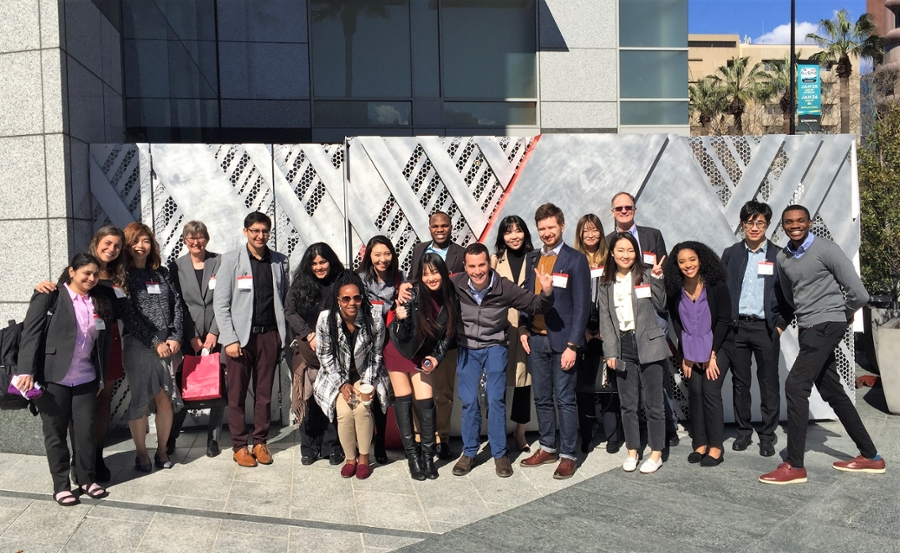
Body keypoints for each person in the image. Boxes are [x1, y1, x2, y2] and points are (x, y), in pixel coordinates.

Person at [760, 205, 885, 484]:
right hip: (808, 327)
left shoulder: (826, 249)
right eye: (789, 222)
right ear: (783, 225)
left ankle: (794, 465)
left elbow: (859, 293)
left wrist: (843, 312)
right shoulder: (783, 258)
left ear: (810, 222)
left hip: (827, 325)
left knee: (795, 386)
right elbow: (791, 295)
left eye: (800, 221)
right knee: (833, 392)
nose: (795, 225)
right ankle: (871, 456)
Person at [16, 254, 114, 506]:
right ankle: (61, 485)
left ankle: (86, 478)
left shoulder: (99, 300)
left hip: (86, 378)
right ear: (72, 271)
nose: (91, 278)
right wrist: (26, 370)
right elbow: (30, 334)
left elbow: (101, 344)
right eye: (86, 273)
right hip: (52, 378)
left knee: (86, 432)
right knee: (55, 434)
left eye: (95, 274)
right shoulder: (50, 295)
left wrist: (101, 378)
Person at [450, 243, 554, 478]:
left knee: (496, 399)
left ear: (490, 263)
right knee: (468, 401)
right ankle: (468, 452)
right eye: (472, 266)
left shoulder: (503, 287)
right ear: (465, 267)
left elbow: (534, 304)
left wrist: (547, 292)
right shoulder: (455, 283)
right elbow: (429, 288)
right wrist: (407, 286)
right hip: (467, 347)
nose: (477, 271)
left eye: (482, 265)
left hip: (495, 346)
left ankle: (500, 454)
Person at [34, 226, 127, 482]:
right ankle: (78, 465)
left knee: (101, 402)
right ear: (96, 243)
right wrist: (42, 285)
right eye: (107, 243)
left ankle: (95, 457)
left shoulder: (120, 273)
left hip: (107, 341)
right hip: (76, 350)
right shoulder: (78, 268)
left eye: (117, 246)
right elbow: (60, 299)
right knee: (77, 412)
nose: (111, 249)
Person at [519, 204, 590, 480]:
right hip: (536, 340)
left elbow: (582, 305)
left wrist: (573, 345)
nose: (547, 233)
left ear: (561, 226)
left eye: (551, 227)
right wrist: (524, 328)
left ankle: (569, 455)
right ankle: (548, 447)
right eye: (542, 229)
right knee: (542, 398)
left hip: (563, 342)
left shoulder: (575, 260)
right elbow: (527, 295)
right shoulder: (532, 258)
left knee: (564, 399)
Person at [214, 212, 290, 468]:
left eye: (265, 231)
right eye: (255, 230)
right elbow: (221, 304)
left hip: (269, 336)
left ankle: (260, 441)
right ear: (245, 231)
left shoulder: (279, 261)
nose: (260, 235)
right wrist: (230, 339)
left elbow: (284, 299)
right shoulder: (231, 259)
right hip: (239, 339)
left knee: (264, 393)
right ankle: (239, 445)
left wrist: (282, 334)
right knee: (236, 395)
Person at [606, 191, 681, 447]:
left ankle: (667, 430)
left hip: (653, 321)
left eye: (628, 207)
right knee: (629, 390)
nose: (624, 211)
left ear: (635, 209)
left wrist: (660, 280)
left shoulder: (653, 235)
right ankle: (633, 439)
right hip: (625, 327)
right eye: (619, 208)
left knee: (658, 385)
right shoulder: (608, 242)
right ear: (613, 212)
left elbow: (663, 271)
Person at [720, 201, 786, 457]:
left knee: (769, 383)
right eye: (749, 222)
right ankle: (744, 432)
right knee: (740, 383)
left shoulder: (778, 256)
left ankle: (767, 436)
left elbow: (789, 296)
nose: (754, 227)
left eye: (760, 223)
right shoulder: (731, 253)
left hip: (766, 329)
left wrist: (780, 325)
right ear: (742, 224)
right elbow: (722, 291)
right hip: (738, 329)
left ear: (767, 225)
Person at [597, 233, 667, 474]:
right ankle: (632, 451)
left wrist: (658, 279)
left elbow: (662, 305)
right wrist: (610, 353)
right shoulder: (605, 282)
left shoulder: (646, 275)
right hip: (623, 344)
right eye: (620, 250)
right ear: (612, 254)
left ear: (636, 252)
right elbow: (605, 319)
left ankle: (656, 452)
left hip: (649, 343)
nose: (626, 255)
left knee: (653, 404)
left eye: (630, 250)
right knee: (628, 404)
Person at [386, 253, 459, 480]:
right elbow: (401, 333)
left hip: (423, 354)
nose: (431, 278)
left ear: (443, 272)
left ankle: (428, 457)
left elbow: (448, 334)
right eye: (425, 274)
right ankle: (413, 459)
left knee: (427, 401)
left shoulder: (450, 296)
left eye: (435, 272)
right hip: (399, 350)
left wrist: (436, 358)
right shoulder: (411, 294)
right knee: (405, 399)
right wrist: (399, 318)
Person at [118, 222, 183, 472]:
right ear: (127, 245)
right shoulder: (122, 278)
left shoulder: (162, 273)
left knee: (165, 399)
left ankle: (162, 449)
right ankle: (141, 453)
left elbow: (177, 305)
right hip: (139, 345)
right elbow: (129, 316)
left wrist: (175, 336)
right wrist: (155, 342)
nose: (140, 246)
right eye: (135, 241)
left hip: (168, 345)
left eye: (145, 241)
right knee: (141, 400)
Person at [313, 270, 390, 480]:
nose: (351, 303)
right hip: (337, 376)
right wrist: (342, 384)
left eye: (356, 297)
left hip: (366, 373)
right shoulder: (326, 320)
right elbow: (324, 355)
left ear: (362, 298)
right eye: (346, 298)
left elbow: (376, 353)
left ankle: (364, 458)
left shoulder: (373, 318)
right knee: (345, 413)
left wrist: (367, 383)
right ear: (338, 299)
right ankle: (350, 458)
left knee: (362, 408)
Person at [664, 242, 733, 467]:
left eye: (692, 259)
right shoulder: (675, 288)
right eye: (682, 261)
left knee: (710, 390)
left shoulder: (716, 285)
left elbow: (724, 319)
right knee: (695, 391)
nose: (688, 265)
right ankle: (700, 443)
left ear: (701, 260)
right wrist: (685, 354)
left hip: (718, 346)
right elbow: (675, 320)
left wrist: (712, 354)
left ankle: (716, 446)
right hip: (690, 348)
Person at [166, 221, 226, 458]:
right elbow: (177, 303)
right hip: (188, 335)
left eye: (200, 237)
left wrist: (214, 332)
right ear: (184, 240)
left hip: (216, 333)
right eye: (191, 238)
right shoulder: (176, 266)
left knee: (217, 386)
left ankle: (213, 439)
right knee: (186, 385)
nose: (196, 241)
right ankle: (172, 436)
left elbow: (224, 299)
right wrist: (190, 335)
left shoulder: (219, 262)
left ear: (207, 238)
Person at [409, 211, 465, 459]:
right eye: (435, 226)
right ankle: (422, 438)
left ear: (451, 227)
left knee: (443, 392)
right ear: (429, 228)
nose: (440, 229)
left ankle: (442, 438)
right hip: (423, 333)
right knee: (419, 392)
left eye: (445, 225)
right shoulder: (419, 249)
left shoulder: (460, 253)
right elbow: (412, 280)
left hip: (448, 332)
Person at [285, 243, 345, 466]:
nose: (319, 267)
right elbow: (289, 311)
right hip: (307, 350)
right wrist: (309, 335)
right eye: (314, 263)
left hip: (336, 351)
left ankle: (333, 446)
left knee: (332, 398)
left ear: (331, 261)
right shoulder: (300, 284)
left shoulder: (341, 281)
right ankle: (309, 447)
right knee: (308, 399)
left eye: (323, 262)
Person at [572, 213, 623, 454]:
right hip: (582, 331)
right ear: (579, 235)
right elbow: (569, 300)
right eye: (585, 231)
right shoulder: (574, 259)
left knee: (609, 386)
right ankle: (587, 434)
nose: (590, 235)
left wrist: (606, 329)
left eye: (594, 230)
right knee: (584, 387)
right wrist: (583, 331)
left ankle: (613, 435)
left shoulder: (610, 258)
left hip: (608, 331)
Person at [491, 215, 534, 452]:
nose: (514, 236)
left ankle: (520, 431)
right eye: (508, 232)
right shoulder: (495, 260)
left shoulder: (535, 258)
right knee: (497, 380)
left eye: (518, 231)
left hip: (527, 327)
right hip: (500, 327)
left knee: (523, 380)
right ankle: (496, 430)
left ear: (525, 233)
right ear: (502, 237)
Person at [358, 235, 402, 465]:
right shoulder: (361, 280)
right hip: (368, 344)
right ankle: (367, 442)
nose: (382, 259)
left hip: (391, 342)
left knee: (385, 393)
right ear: (370, 256)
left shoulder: (399, 278)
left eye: (387, 254)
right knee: (370, 392)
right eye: (377, 254)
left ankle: (382, 443)